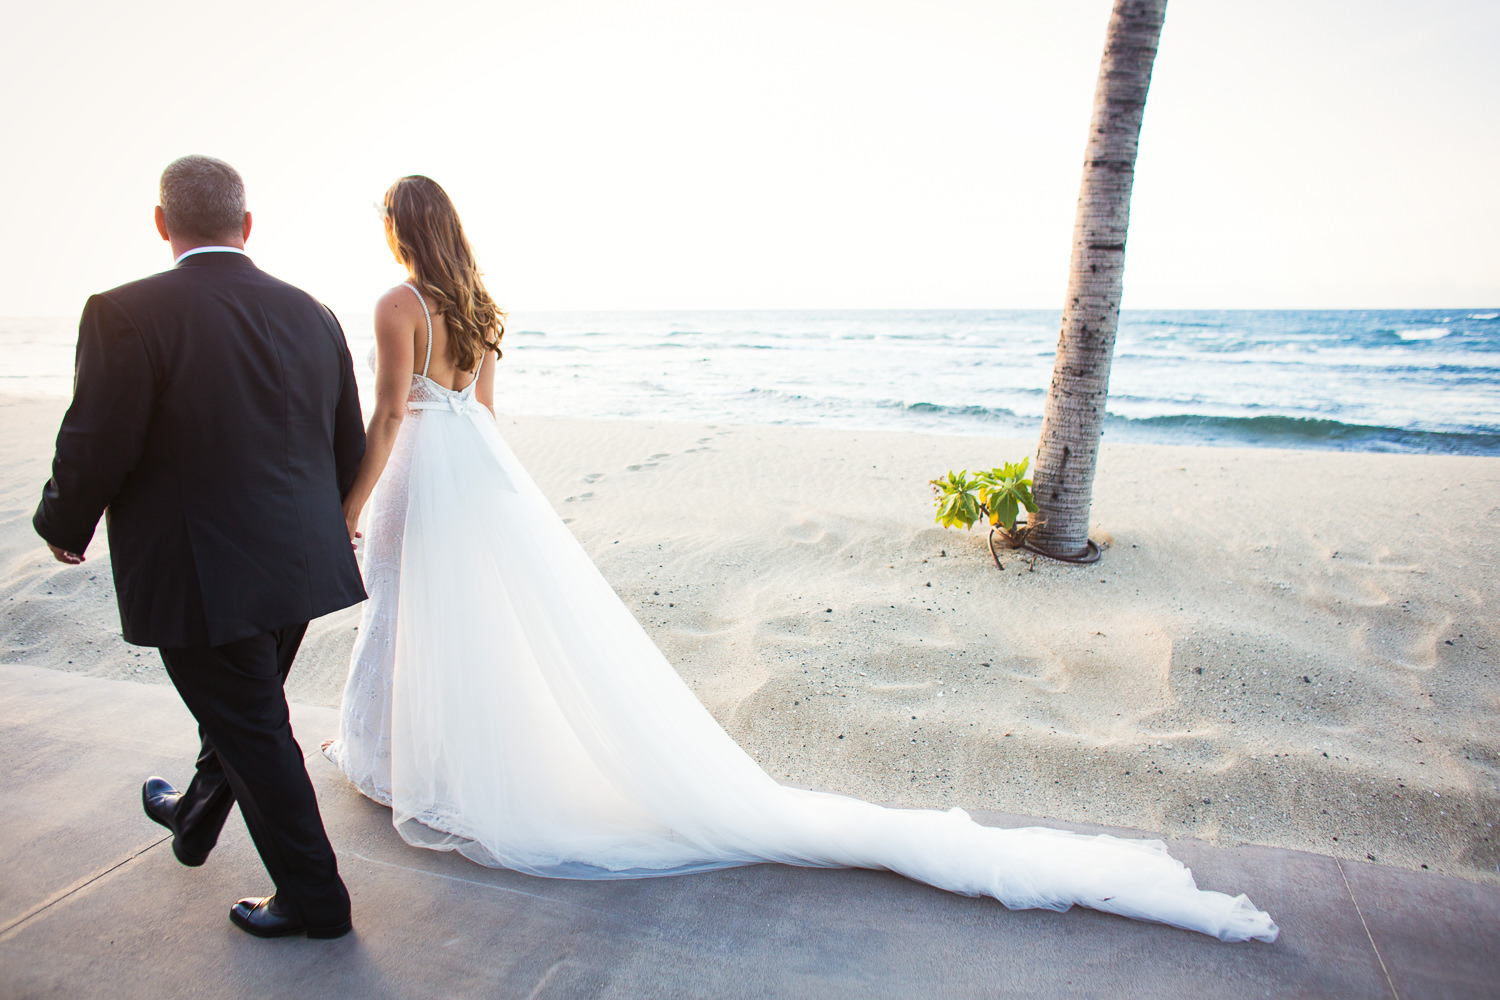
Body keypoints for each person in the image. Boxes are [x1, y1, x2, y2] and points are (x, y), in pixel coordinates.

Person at [325, 175, 1279, 944]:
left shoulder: (397, 303)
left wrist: (351, 504)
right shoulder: (485, 307)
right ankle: (421, 755)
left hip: (423, 470)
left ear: (399, 230)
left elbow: (387, 415)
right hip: (483, 474)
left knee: (405, 608)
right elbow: (485, 418)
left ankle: (386, 758)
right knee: (465, 619)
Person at [34, 155, 367, 940]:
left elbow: (96, 440)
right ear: (247, 226)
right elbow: (345, 442)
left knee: (253, 726)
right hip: (299, 565)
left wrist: (62, 523)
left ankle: (317, 901)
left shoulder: (124, 310)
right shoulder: (312, 310)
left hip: (203, 574)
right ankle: (192, 816)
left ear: (162, 224)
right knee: (245, 708)